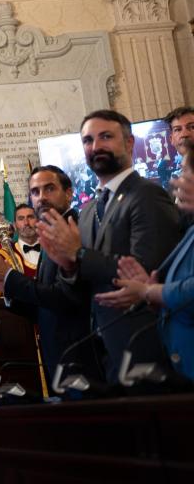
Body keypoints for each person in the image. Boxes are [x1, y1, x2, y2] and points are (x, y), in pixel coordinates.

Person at [39, 110, 181, 384]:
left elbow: (145, 271)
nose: (96, 146)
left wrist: (79, 254)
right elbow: (81, 287)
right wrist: (68, 267)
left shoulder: (147, 195)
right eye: (88, 140)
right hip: (102, 350)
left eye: (106, 137)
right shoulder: (90, 209)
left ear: (129, 143)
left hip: (145, 342)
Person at [0, 166, 102, 386]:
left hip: (82, 356)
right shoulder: (49, 232)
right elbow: (44, 305)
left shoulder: (77, 231)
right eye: (35, 192)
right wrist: (4, 285)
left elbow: (67, 297)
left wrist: (9, 276)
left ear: (69, 193)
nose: (41, 197)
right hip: (58, 358)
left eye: (49, 189)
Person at [95, 151, 194, 380]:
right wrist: (153, 298)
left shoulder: (146, 195)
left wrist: (150, 291)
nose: (179, 179)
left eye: (187, 172)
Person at [12, 204, 40, 277]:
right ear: (14, 225)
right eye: (21, 219)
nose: (26, 223)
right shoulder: (7, 253)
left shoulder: (53, 249)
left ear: (38, 222)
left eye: (30, 217)